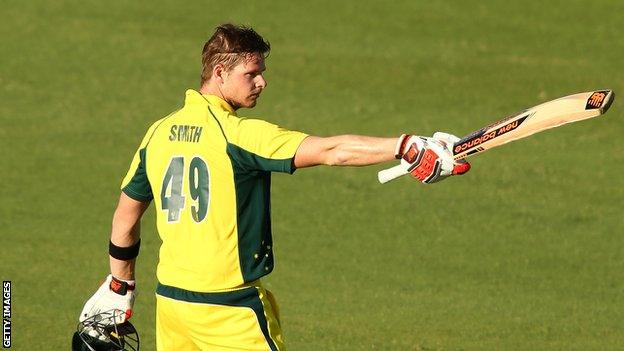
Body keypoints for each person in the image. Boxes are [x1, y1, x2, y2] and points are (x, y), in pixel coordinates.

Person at [78, 23, 471, 351]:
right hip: (231, 312)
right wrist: (405, 146)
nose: (262, 82)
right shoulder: (237, 135)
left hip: (174, 309)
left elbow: (126, 215)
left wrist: (120, 283)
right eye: (251, 73)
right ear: (219, 73)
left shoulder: (158, 134)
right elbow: (331, 150)